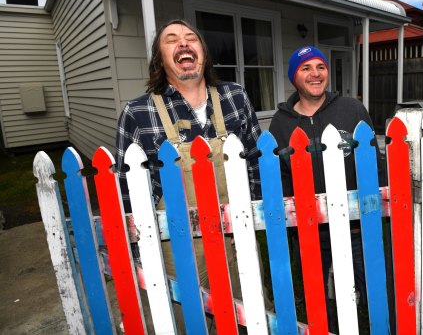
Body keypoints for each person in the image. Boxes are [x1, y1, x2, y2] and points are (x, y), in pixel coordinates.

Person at [115, 19, 264, 331]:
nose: (182, 43)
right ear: (160, 60)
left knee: (247, 314)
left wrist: (251, 219)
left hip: (233, 233)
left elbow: (254, 163)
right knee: (186, 320)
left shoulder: (235, 97)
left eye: (190, 38)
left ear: (203, 54)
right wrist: (138, 250)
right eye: (171, 40)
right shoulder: (138, 113)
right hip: (176, 243)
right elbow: (126, 193)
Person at [269, 45, 385, 332]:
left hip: (356, 227)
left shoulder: (351, 109)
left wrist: (379, 207)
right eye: (306, 68)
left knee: (372, 292)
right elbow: (281, 177)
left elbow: (375, 162)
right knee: (316, 298)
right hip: (310, 231)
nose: (315, 74)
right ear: (293, 77)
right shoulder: (280, 123)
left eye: (320, 66)